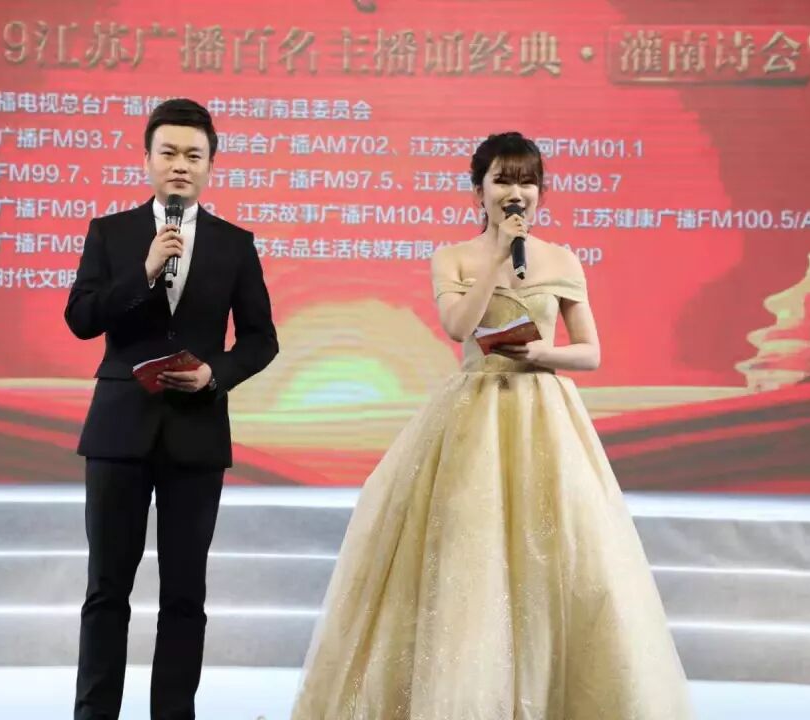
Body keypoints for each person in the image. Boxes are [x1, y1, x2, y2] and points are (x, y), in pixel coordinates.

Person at [291, 132, 692, 719]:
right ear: (478, 191)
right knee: (468, 556)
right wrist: (499, 257)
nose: (515, 192)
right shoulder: (453, 258)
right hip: (473, 417)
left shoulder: (563, 260)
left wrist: (544, 354)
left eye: (527, 181)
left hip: (544, 416)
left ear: (541, 192)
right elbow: (458, 326)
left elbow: (590, 352)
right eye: (502, 180)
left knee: (557, 556)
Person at [65, 98, 278, 720]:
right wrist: (144, 270)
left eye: (194, 155)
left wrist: (217, 374)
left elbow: (261, 339)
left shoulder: (235, 245)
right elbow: (81, 318)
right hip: (118, 431)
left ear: (211, 165)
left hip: (196, 431)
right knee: (107, 588)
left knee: (185, 593)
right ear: (147, 159)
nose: (180, 165)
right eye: (169, 153)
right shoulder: (111, 233)